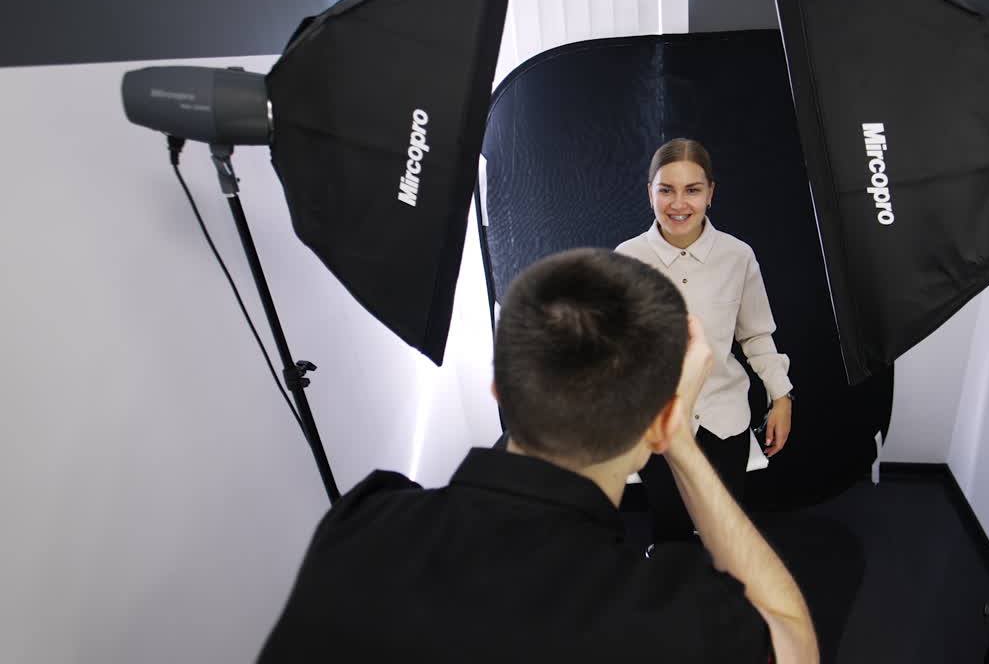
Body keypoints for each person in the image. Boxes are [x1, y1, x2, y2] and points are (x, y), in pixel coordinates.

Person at [257, 248, 818, 664]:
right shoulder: (674, 621)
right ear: (659, 424)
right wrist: (680, 439)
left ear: (499, 386)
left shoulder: (362, 521)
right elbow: (795, 638)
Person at [617, 137, 793, 543]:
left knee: (722, 529)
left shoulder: (738, 257)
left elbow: (757, 335)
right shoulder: (626, 258)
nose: (679, 203)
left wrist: (781, 396)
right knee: (671, 526)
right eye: (666, 189)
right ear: (650, 193)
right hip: (657, 422)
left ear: (711, 193)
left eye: (692, 190)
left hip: (723, 420)